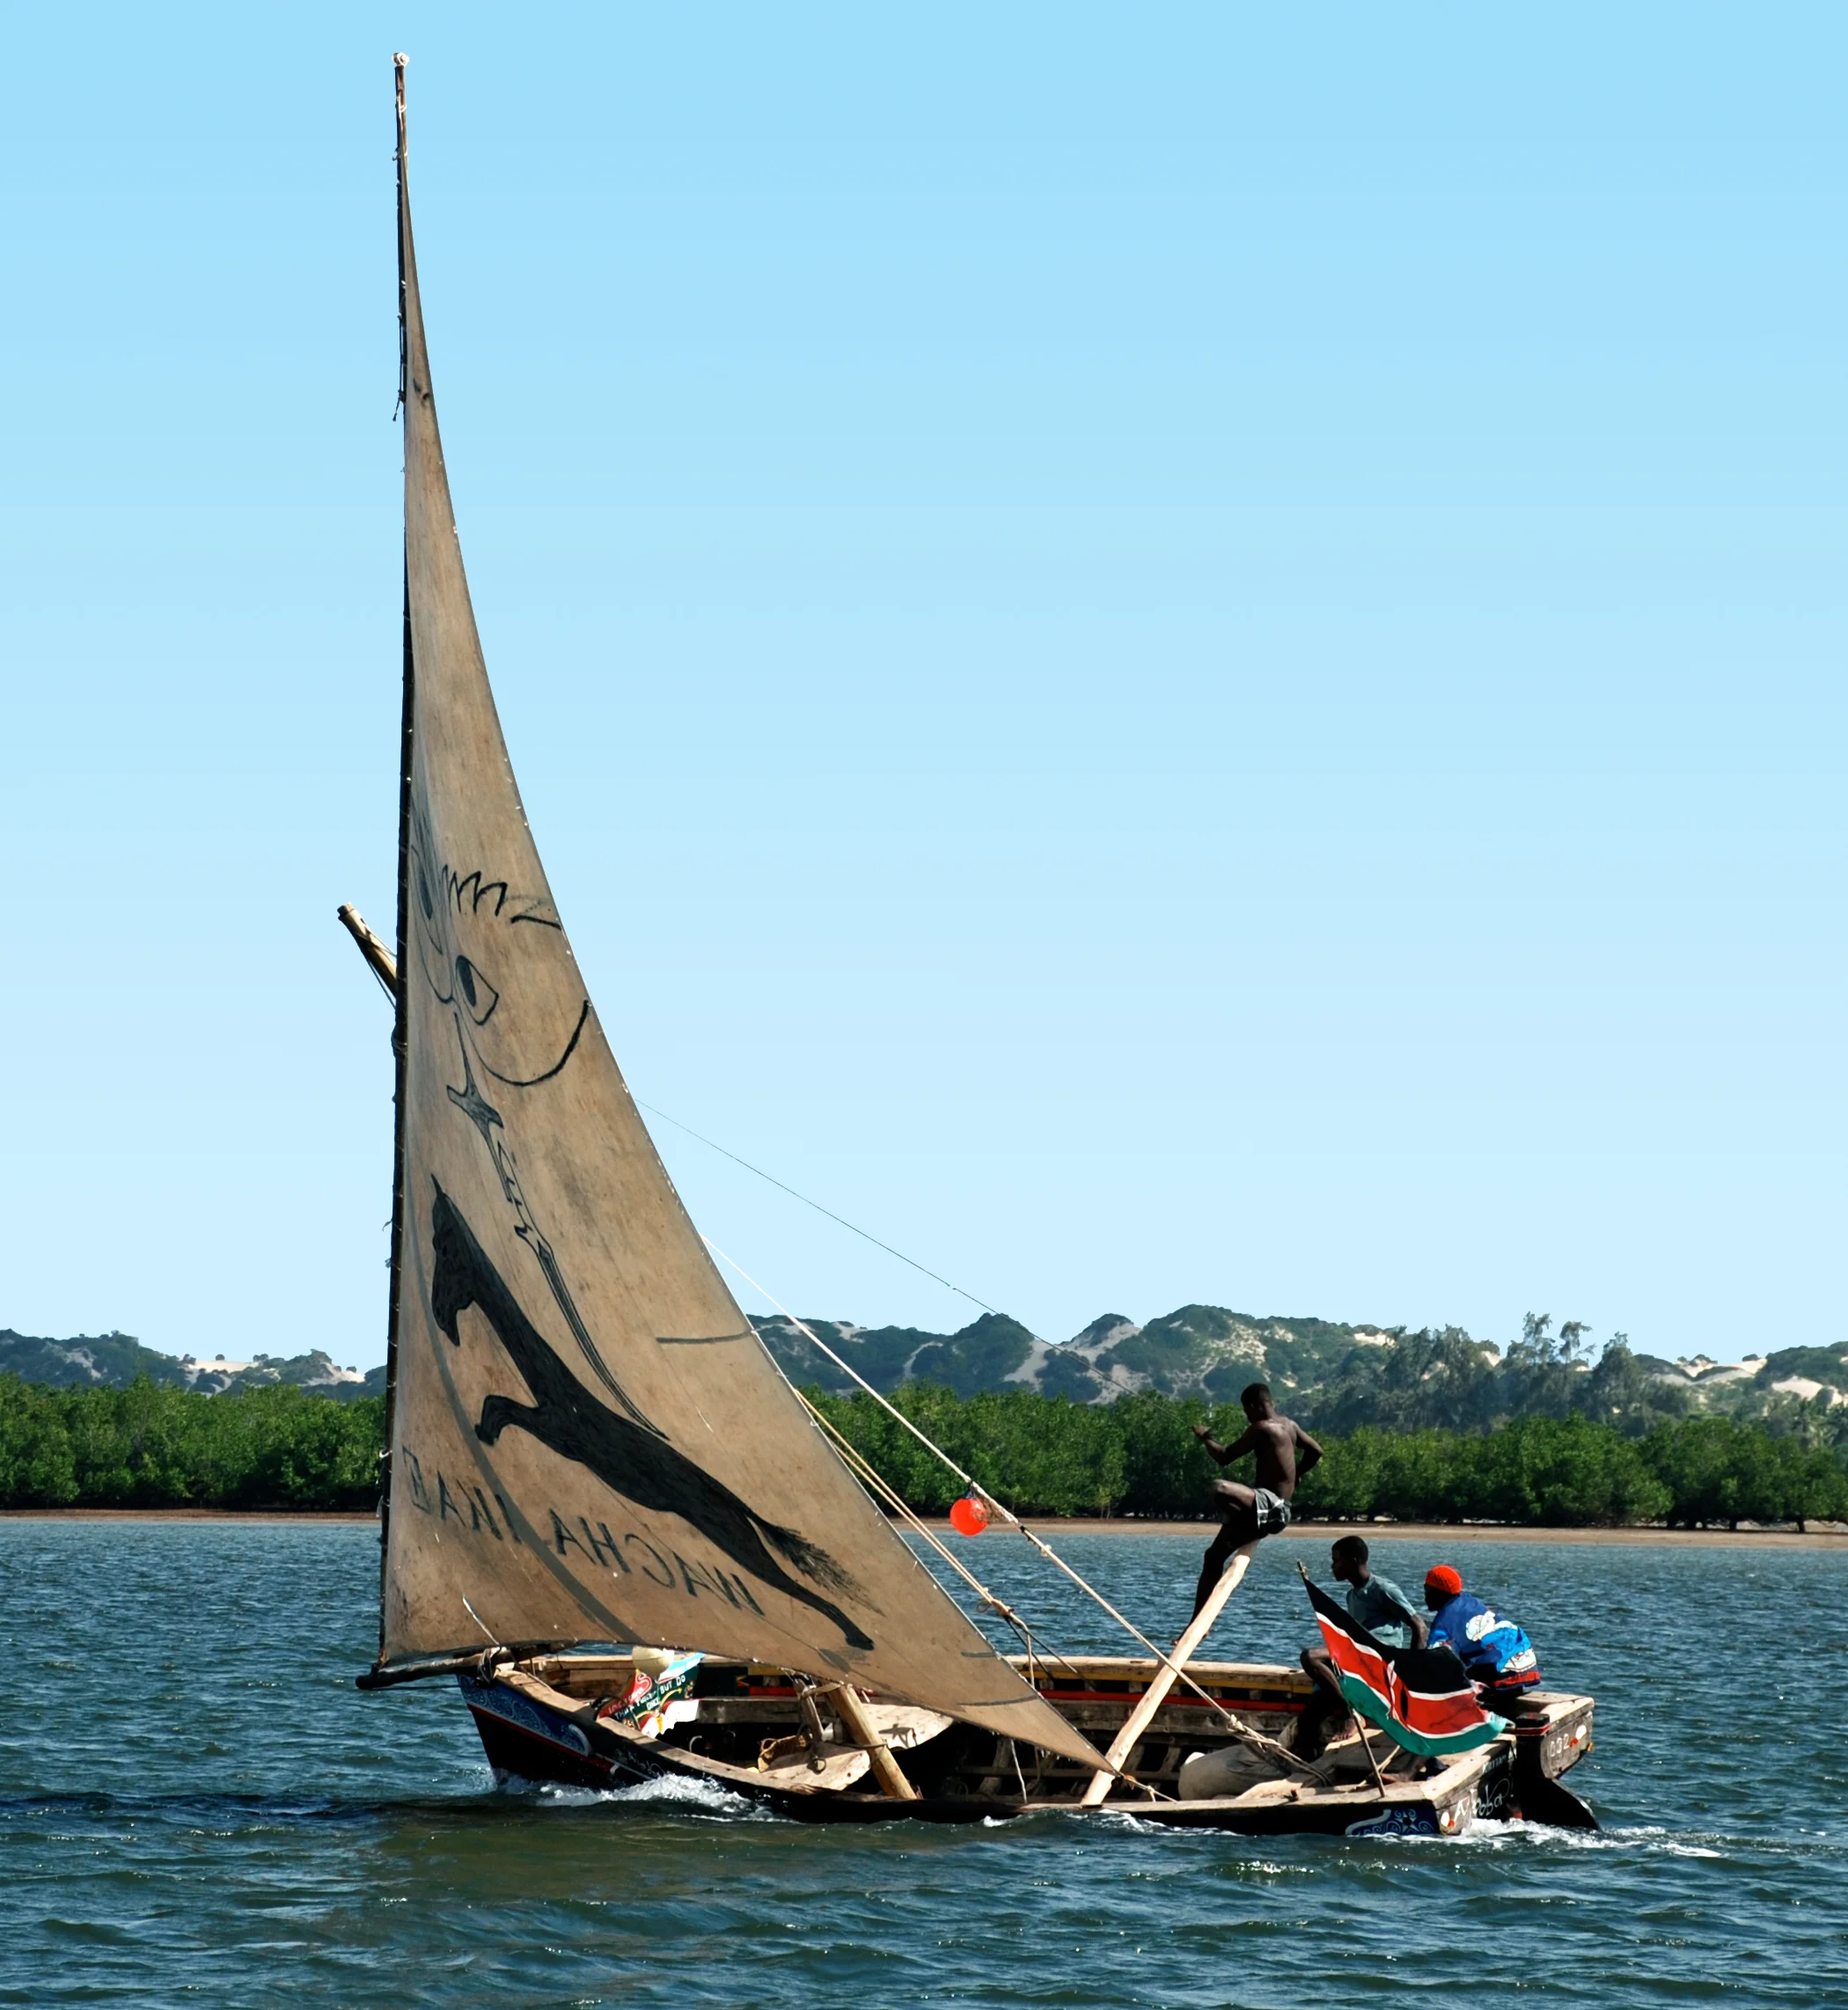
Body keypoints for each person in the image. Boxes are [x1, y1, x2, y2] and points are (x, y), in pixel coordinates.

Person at [1189, 1384, 1323, 1618]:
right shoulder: (1290, 1425)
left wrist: (1206, 1437)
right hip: (1269, 1509)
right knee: (1212, 1558)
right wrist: (1297, 1474)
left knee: (1218, 1488)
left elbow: (1224, 1457)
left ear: (1254, 1406)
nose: (1247, 1417)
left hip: (1272, 1507)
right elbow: (1316, 1451)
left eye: (1246, 1411)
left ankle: (1243, 1521)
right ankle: (1197, 1623)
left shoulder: (1261, 1428)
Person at [1293, 1535, 1426, 1760]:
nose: (1332, 1566)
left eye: (1337, 1561)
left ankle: (1350, 1711)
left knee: (1310, 1657)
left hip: (1377, 1658)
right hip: (1357, 1657)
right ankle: (1307, 1762)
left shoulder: (1382, 1589)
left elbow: (1419, 1626)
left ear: (1354, 1561)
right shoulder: (1352, 1594)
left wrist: (1411, 1670)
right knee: (1310, 1714)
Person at [1422, 1564, 1545, 1719]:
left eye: (1426, 1589)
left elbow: (1429, 1662)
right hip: (1525, 1663)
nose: (1425, 1595)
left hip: (1502, 1671)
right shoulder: (1468, 1602)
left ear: (1437, 1592)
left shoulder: (1444, 1622)